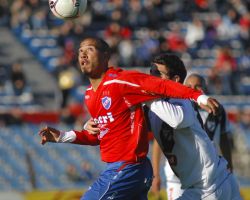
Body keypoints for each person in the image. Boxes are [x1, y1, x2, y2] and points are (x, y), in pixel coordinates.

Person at [39, 37, 218, 200]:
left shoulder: (121, 81)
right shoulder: (89, 95)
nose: (83, 53)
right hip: (129, 170)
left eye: (90, 49)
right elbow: (99, 135)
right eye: (80, 50)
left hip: (128, 167)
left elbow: (163, 85)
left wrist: (199, 97)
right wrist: (62, 136)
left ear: (106, 56)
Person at [148, 54, 241, 199]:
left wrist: (145, 96)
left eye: (157, 73)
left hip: (207, 183)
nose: (152, 77)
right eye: (151, 72)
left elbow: (178, 119)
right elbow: (157, 142)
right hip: (202, 178)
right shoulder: (164, 103)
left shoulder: (181, 101)